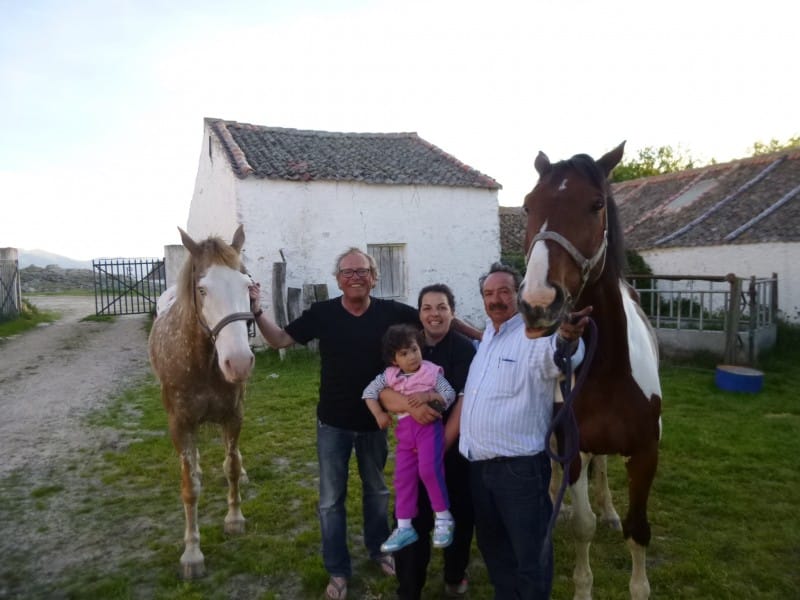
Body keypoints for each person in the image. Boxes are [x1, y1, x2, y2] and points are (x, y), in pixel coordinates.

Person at [250, 247, 419, 600]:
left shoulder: (391, 313)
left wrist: (478, 337)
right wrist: (256, 311)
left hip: (376, 423)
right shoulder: (322, 314)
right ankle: (338, 570)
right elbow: (280, 339)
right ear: (338, 279)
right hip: (333, 424)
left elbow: (434, 322)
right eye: (347, 272)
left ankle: (379, 551)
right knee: (330, 502)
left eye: (362, 271)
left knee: (377, 492)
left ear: (375, 277)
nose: (355, 277)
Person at [459, 263, 590, 600]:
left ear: (519, 295)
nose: (496, 299)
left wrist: (567, 339)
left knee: (530, 558)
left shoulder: (534, 334)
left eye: (504, 291)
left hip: (518, 472)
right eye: (489, 293)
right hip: (479, 468)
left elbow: (557, 356)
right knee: (495, 553)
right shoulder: (490, 334)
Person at [379, 284, 477, 599]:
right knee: (410, 516)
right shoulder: (406, 347)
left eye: (441, 307)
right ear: (419, 313)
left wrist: (436, 448)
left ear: (452, 312)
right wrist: (409, 406)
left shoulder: (463, 349)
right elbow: (384, 392)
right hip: (413, 449)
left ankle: (454, 573)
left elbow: (461, 400)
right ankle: (408, 588)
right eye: (427, 308)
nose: (434, 314)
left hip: (451, 448)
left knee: (459, 515)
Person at [362, 324, 457, 554]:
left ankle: (444, 518)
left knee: (428, 470)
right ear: (394, 360)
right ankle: (404, 527)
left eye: (414, 349)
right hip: (405, 434)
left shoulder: (432, 371)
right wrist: (378, 414)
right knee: (402, 478)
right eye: (404, 354)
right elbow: (368, 393)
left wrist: (428, 395)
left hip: (428, 429)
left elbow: (450, 395)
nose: (412, 356)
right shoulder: (388, 376)